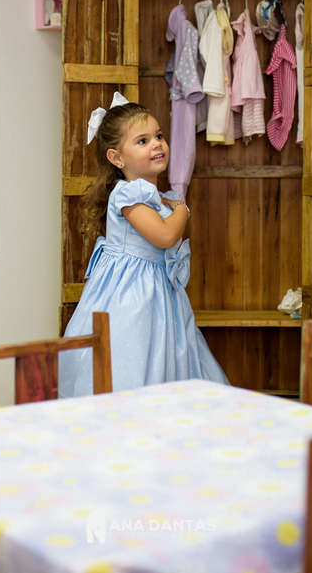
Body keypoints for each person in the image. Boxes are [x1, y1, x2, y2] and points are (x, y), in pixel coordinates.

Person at [59, 92, 228, 396]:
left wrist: (171, 204)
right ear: (117, 158)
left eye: (159, 136)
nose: (157, 144)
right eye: (143, 141)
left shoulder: (156, 198)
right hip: (131, 295)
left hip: (156, 293)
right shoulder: (128, 194)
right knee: (132, 358)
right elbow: (164, 236)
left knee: (165, 355)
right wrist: (182, 209)